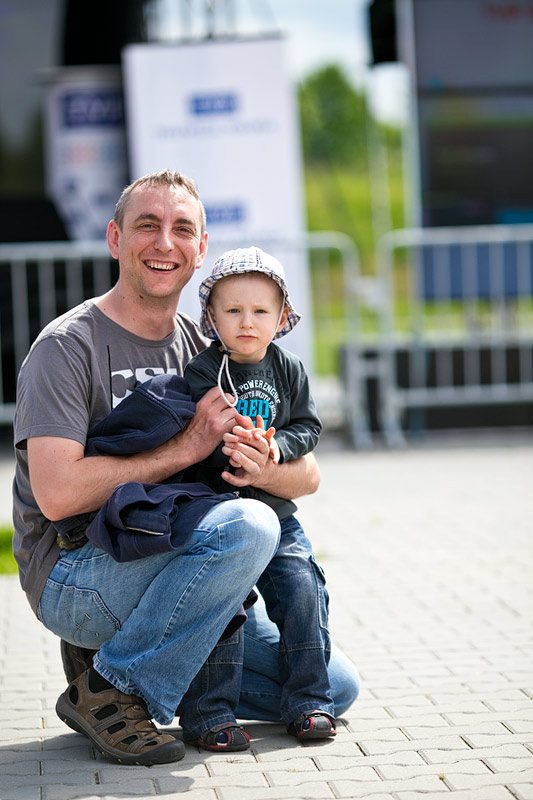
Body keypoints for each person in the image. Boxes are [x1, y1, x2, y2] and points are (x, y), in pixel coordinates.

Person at [12, 170, 360, 766]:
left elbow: (309, 476)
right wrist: (184, 449)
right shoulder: (66, 347)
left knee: (335, 684)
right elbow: (57, 494)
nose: (164, 243)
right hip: (79, 573)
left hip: (179, 560)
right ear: (115, 238)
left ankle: (128, 658)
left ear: (201, 251)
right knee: (248, 526)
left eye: (182, 230)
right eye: (147, 226)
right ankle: (112, 687)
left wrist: (262, 465)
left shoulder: (213, 345)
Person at [182, 246, 335, 744]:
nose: (247, 322)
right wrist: (232, 449)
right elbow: (195, 440)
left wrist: (276, 449)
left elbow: (308, 426)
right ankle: (210, 714)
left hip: (278, 514)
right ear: (211, 316)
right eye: (233, 310)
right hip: (222, 516)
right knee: (225, 605)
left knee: (302, 588)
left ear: (282, 316)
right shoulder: (202, 372)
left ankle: (309, 701)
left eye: (260, 311)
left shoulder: (289, 369)